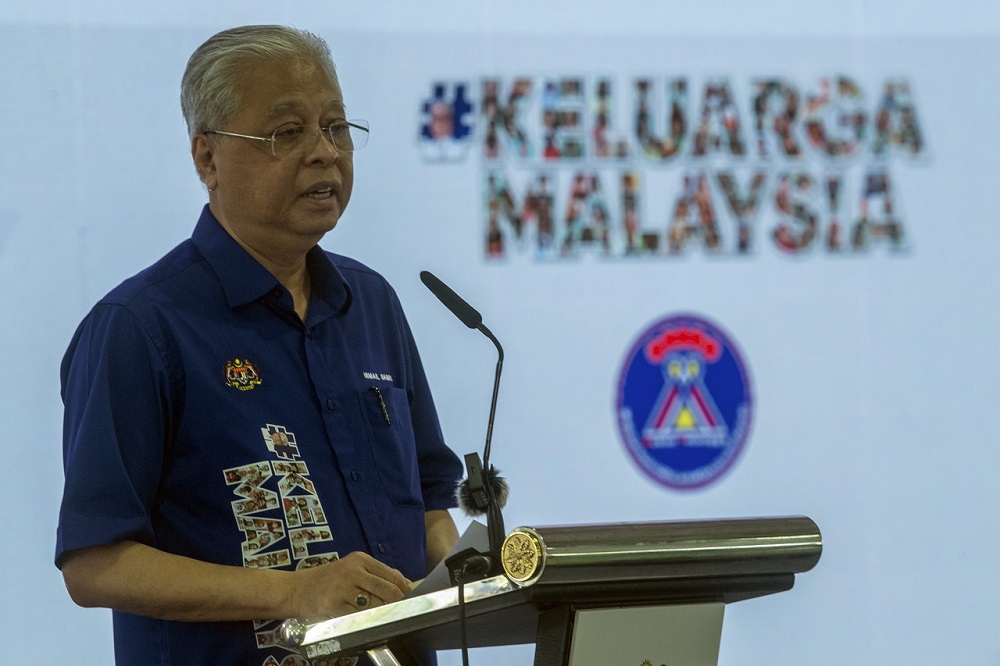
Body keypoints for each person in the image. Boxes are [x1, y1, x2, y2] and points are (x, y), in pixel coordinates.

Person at [55, 25, 463, 666]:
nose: (324, 152)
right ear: (206, 157)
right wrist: (293, 592)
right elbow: (94, 564)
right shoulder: (139, 328)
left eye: (335, 127)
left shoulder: (370, 302)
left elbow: (430, 504)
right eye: (287, 133)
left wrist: (479, 578)